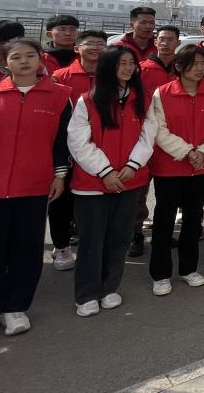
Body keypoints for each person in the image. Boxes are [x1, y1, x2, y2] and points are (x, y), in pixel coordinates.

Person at [0, 39, 72, 342]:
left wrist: (59, 176)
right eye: (16, 57)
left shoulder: (60, 96)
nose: (24, 61)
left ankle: (17, 307)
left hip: (34, 186)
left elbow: (62, 143)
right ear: (6, 62)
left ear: (40, 59)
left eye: (30, 55)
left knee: (27, 248)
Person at [67, 46, 155, 317]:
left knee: (119, 237)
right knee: (92, 241)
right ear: (107, 67)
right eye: (121, 63)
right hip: (92, 184)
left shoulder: (142, 98)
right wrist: (105, 171)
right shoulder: (88, 100)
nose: (128, 68)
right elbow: (79, 142)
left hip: (130, 180)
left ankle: (109, 288)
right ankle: (86, 294)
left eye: (131, 63)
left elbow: (148, 135)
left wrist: (132, 165)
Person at [147, 45, 204, 296]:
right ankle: (160, 274)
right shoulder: (162, 93)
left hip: (202, 167)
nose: (200, 69)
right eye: (193, 64)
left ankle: (188, 268)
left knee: (193, 219)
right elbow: (159, 130)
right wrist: (188, 152)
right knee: (164, 220)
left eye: (203, 64)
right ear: (179, 66)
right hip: (170, 166)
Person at [49, 29, 110, 272]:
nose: (95, 48)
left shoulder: (112, 75)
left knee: (96, 200)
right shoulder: (60, 77)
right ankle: (61, 245)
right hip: (66, 148)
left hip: (101, 149)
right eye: (90, 43)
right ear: (77, 48)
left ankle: (95, 245)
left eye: (100, 44)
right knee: (62, 199)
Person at [130, 25, 180, 257]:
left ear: (177, 42)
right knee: (139, 191)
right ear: (155, 41)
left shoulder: (182, 68)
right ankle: (135, 234)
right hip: (145, 138)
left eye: (171, 39)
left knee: (167, 193)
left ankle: (163, 232)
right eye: (162, 39)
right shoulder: (141, 69)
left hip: (173, 139)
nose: (166, 43)